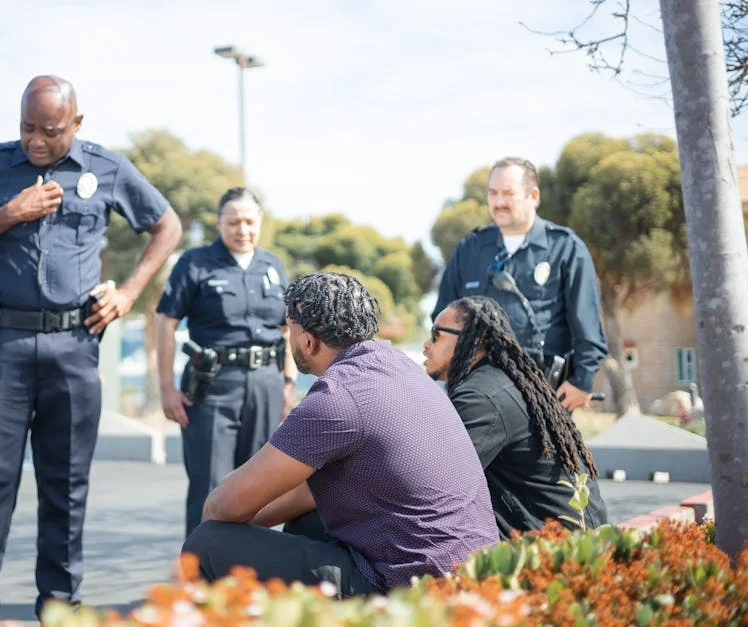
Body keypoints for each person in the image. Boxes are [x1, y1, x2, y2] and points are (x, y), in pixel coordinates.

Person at [0, 75, 182, 626]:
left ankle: (60, 610)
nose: (35, 141)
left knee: (66, 487)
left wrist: (129, 292)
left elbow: (167, 225)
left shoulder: (106, 167)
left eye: (49, 131)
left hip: (75, 346)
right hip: (4, 345)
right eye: (26, 128)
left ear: (76, 124)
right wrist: (10, 213)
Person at [182, 272, 498, 596]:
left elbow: (220, 508)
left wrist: (235, 524)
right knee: (305, 523)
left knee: (207, 544)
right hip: (473, 578)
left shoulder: (337, 397)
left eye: (290, 330)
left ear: (308, 340)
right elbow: (304, 494)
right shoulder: (399, 365)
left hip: (415, 593)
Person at [156, 187, 297, 537]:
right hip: (213, 386)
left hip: (266, 382)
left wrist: (288, 384)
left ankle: (249, 581)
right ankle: (200, 583)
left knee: (260, 489)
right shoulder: (195, 263)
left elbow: (288, 328)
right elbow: (166, 322)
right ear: (219, 223)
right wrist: (166, 389)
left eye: (250, 221)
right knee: (211, 487)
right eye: (233, 222)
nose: (242, 229)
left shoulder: (273, 266)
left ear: (260, 222)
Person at [424, 295, 607, 539]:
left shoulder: (481, 396)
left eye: (437, 335)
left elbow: (439, 483)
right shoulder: (496, 381)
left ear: (475, 341)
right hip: (573, 534)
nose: (427, 344)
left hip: (559, 549)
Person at [432, 157, 607, 411]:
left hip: (541, 395)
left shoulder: (565, 248)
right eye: (493, 193)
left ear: (533, 196)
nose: (499, 202)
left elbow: (587, 323)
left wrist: (582, 381)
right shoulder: (470, 249)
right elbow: (442, 319)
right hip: (476, 393)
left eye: (508, 193)